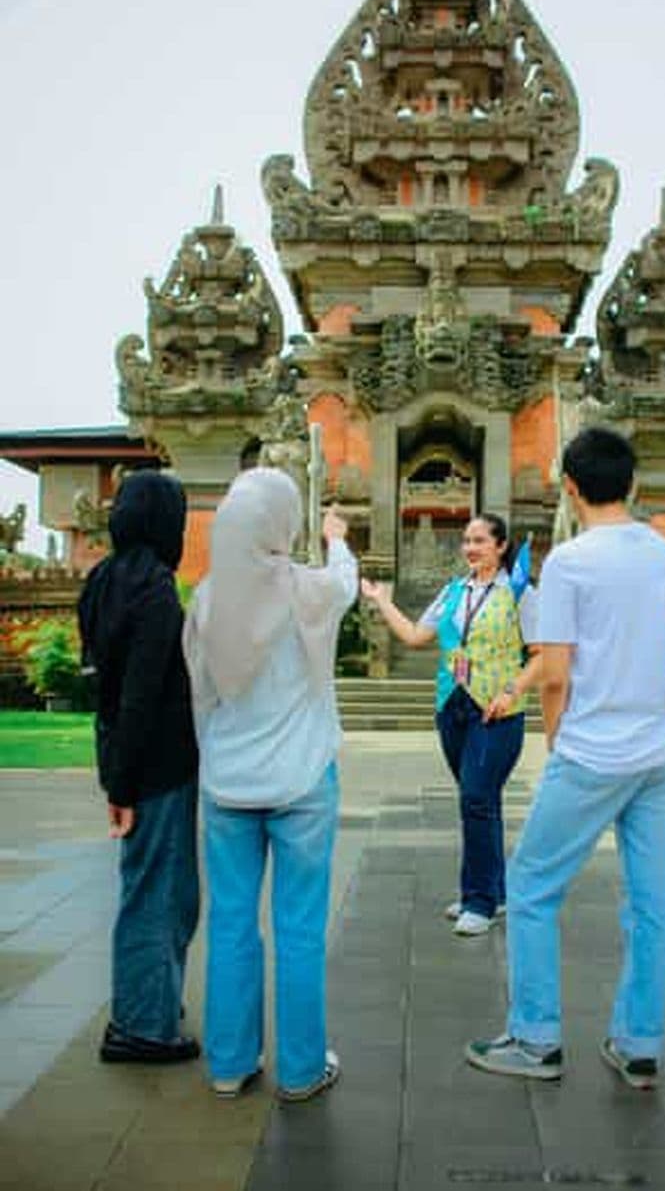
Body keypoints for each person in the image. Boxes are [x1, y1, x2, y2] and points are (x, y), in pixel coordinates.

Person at [466, 427, 665, 1090]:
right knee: (651, 901)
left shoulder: (568, 562)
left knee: (532, 886)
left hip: (594, 750)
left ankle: (536, 1039)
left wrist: (557, 742)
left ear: (569, 487)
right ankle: (639, 1044)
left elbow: (556, 671)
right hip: (661, 747)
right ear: (633, 483)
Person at [183, 468, 358, 1100]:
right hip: (303, 779)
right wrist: (337, 537)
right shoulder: (310, 589)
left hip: (227, 784)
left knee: (230, 923)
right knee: (300, 929)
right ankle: (303, 1070)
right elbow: (348, 581)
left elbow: (201, 696)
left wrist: (217, 757)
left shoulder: (206, 600)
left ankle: (230, 1064)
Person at [361, 514, 540, 937]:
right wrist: (381, 600)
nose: (470, 548)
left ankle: (478, 901)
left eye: (479, 541)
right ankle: (493, 892)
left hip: (496, 711)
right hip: (453, 706)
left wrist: (511, 691)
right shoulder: (454, 590)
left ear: (500, 546)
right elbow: (414, 636)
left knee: (476, 799)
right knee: (480, 801)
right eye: (466, 541)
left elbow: (542, 653)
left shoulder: (520, 592)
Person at [77, 470, 200, 1064]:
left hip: (127, 759)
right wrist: (123, 786)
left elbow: (107, 689)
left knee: (156, 889)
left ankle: (150, 1004)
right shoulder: (153, 591)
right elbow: (139, 695)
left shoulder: (102, 581)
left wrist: (115, 778)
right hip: (158, 766)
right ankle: (142, 1027)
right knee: (158, 893)